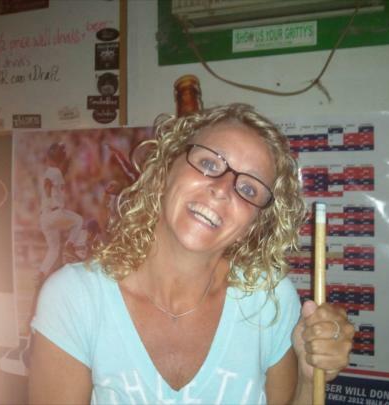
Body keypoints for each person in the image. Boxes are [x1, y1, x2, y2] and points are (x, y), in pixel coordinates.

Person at [29, 104, 355, 404]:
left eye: (248, 189)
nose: (222, 189)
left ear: (255, 223)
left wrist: (309, 379)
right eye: (209, 163)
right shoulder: (75, 298)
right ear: (165, 168)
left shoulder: (270, 300)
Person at [38, 142, 83, 280]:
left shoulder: (53, 171)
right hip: (54, 213)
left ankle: (41, 273)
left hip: (44, 217)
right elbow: (47, 183)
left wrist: (68, 160)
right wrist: (49, 198)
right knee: (78, 221)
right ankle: (69, 245)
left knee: (54, 249)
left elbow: (58, 175)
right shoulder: (54, 172)